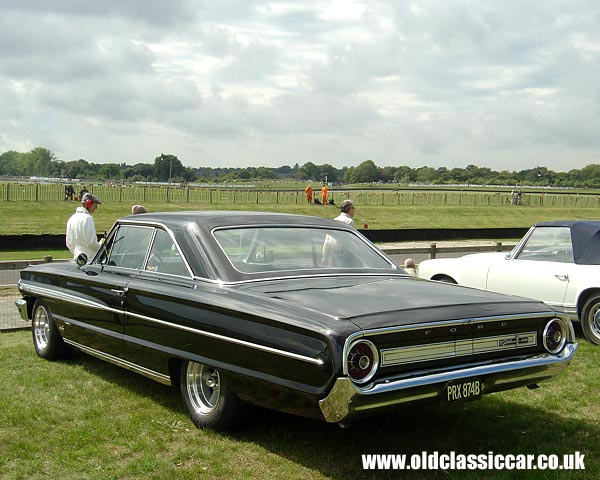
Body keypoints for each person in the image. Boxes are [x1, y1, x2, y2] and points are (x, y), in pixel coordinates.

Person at [66, 193, 102, 262]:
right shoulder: (87, 218)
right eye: (95, 205)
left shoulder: (72, 218)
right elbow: (91, 242)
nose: (96, 207)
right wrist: (102, 248)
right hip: (90, 259)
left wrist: (77, 253)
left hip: (77, 258)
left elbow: (69, 243)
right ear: (88, 203)